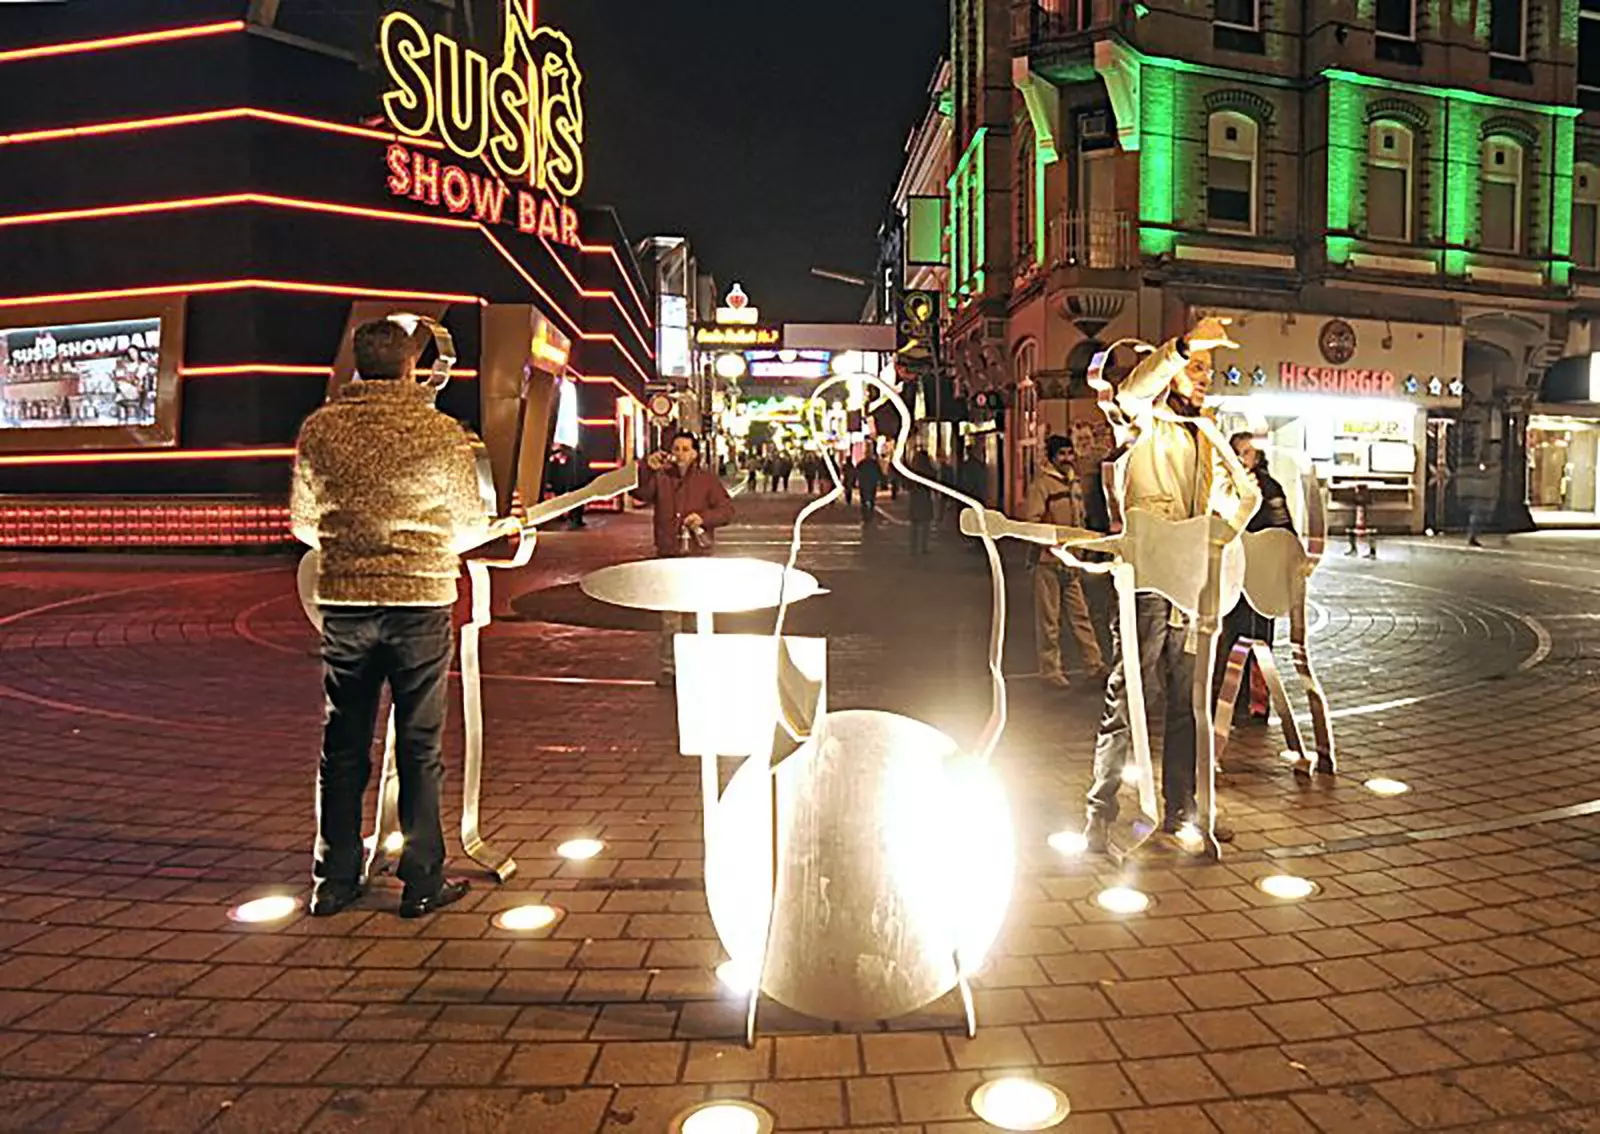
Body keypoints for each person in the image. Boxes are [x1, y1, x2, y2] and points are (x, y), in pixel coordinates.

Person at [291, 319, 496, 920]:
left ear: (358, 365)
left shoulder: (320, 429)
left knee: (343, 741)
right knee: (419, 743)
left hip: (347, 602)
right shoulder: (441, 434)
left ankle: (333, 879)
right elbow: (468, 525)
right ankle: (422, 879)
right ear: (412, 366)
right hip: (420, 600)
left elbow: (304, 523)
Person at [1083, 316, 1260, 854]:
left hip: (1191, 582)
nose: (1204, 376)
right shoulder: (1141, 421)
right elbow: (1132, 388)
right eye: (1196, 368)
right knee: (1130, 694)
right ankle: (1099, 813)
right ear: (1173, 370)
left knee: (1188, 700)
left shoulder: (1207, 435)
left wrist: (1236, 499)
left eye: (1209, 369)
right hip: (1147, 578)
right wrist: (1181, 347)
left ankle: (1183, 809)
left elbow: (1233, 505)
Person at [633, 431, 735, 686]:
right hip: (668, 555)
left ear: (695, 453)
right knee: (670, 618)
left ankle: (699, 664)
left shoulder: (706, 480)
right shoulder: (661, 478)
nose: (680, 454)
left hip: (699, 558)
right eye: (676, 449)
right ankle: (670, 669)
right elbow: (639, 493)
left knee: (697, 614)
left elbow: (727, 510)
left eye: (685, 449)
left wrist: (703, 518)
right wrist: (646, 467)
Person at [1218, 432, 1295, 723]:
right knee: (1234, 635)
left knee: (1258, 638)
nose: (1245, 458)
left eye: (1250, 452)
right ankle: (1232, 701)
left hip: (1261, 574)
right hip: (1233, 573)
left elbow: (1283, 528)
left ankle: (1256, 704)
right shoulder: (1225, 486)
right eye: (1240, 452)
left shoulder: (1267, 486)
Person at [1023, 435, 1107, 689]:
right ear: (1051, 457)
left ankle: (1095, 666)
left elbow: (1081, 520)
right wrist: (1052, 546)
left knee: (1081, 616)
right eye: (1062, 454)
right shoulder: (1042, 485)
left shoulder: (1075, 483)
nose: (1068, 458)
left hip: (1072, 563)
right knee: (1049, 620)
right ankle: (1050, 671)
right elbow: (1033, 523)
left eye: (1070, 453)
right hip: (1047, 562)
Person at [907, 445, 938, 556]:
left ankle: (914, 548)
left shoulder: (912, 471)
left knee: (915, 525)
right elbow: (935, 480)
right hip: (925, 498)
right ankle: (923, 547)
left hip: (915, 498)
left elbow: (907, 485)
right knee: (925, 525)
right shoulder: (928, 470)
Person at [856, 452, 882, 522]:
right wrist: (879, 480)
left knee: (864, 499)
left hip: (864, 483)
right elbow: (879, 472)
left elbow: (857, 472)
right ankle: (870, 511)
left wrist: (857, 480)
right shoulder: (874, 464)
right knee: (872, 498)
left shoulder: (861, 463)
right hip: (872, 482)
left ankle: (865, 512)